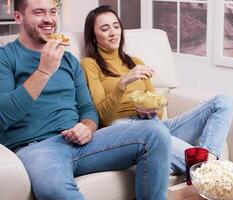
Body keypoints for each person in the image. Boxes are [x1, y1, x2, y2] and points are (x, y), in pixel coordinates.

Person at [0, 0, 171, 199]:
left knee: (156, 132)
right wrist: (44, 70)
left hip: (82, 143)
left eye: (52, 12)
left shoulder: (70, 60)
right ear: (18, 17)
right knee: (55, 189)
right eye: (38, 12)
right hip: (37, 148)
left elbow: (88, 108)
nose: (48, 19)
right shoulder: (5, 57)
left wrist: (87, 127)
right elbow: (3, 115)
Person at [81, 6, 233, 175]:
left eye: (116, 26)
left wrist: (152, 110)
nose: (113, 32)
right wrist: (122, 82)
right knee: (184, 153)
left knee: (223, 102)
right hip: (122, 128)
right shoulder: (90, 64)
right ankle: (210, 172)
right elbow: (103, 116)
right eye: (105, 28)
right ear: (94, 37)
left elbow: (158, 111)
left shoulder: (135, 62)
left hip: (154, 125)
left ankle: (210, 162)